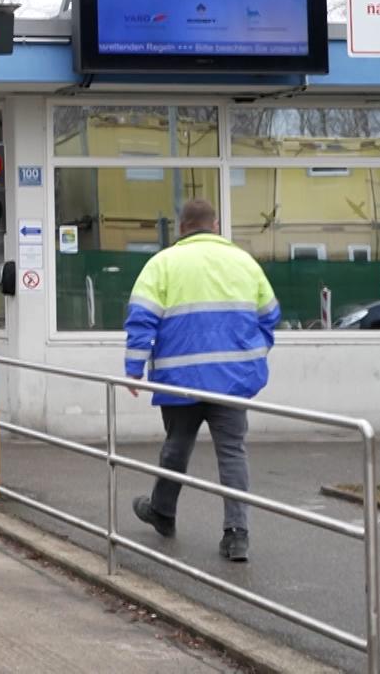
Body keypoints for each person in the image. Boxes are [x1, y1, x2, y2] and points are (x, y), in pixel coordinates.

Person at [123, 197, 280, 563]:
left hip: (181, 379)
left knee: (176, 445)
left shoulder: (162, 263)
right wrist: (252, 355)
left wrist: (133, 368)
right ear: (215, 225)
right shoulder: (244, 262)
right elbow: (270, 315)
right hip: (231, 379)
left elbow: (141, 319)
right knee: (232, 454)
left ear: (181, 228)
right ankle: (237, 534)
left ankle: (162, 511)